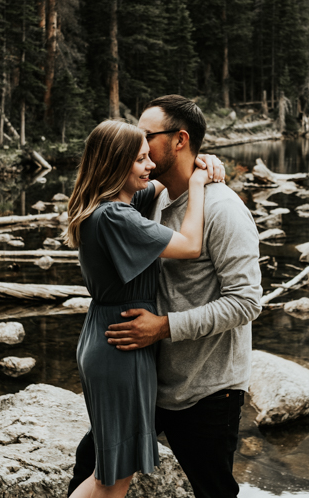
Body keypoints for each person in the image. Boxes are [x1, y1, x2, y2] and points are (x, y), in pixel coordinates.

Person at [68, 96, 263, 498]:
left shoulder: (223, 209)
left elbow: (246, 302)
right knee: (93, 463)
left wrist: (164, 327)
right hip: (148, 373)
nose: (140, 145)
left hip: (204, 386)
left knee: (212, 490)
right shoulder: (148, 198)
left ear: (179, 140)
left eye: (147, 136)